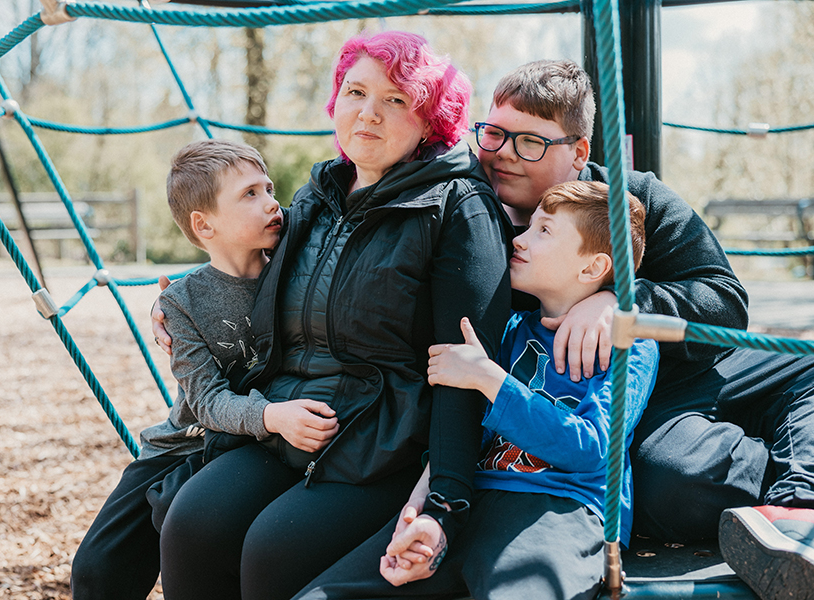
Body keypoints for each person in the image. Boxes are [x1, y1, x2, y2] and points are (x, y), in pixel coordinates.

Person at [329, 58, 814, 599]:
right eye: (493, 134)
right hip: (574, 400)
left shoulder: (632, 200)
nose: (503, 153)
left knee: (797, 370)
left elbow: (724, 302)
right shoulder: (467, 210)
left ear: (578, 153)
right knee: (672, 482)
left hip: (682, 367)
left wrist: (619, 300)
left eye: (531, 142)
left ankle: (798, 508)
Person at [153, 31, 513, 600]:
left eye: (397, 100)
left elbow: (463, 369)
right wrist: (178, 303)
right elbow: (240, 259)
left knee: (273, 548)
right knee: (192, 523)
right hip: (286, 420)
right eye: (355, 92)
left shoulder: (456, 208)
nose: (368, 113)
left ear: (430, 121)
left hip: (383, 442)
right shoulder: (315, 197)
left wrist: (445, 501)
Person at [294, 179, 659, 600]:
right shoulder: (505, 331)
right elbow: (462, 430)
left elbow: (593, 448)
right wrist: (426, 512)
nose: (519, 240)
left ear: (592, 268)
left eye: (544, 231)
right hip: (472, 498)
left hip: (558, 507)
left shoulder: (628, 345)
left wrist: (488, 378)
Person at [71, 139, 340, 600]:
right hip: (184, 443)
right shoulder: (182, 302)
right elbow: (207, 401)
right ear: (204, 224)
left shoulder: (297, 270)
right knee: (97, 568)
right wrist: (271, 416)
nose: (272, 201)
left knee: (189, 525)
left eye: (269, 187)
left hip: (246, 449)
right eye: (249, 194)